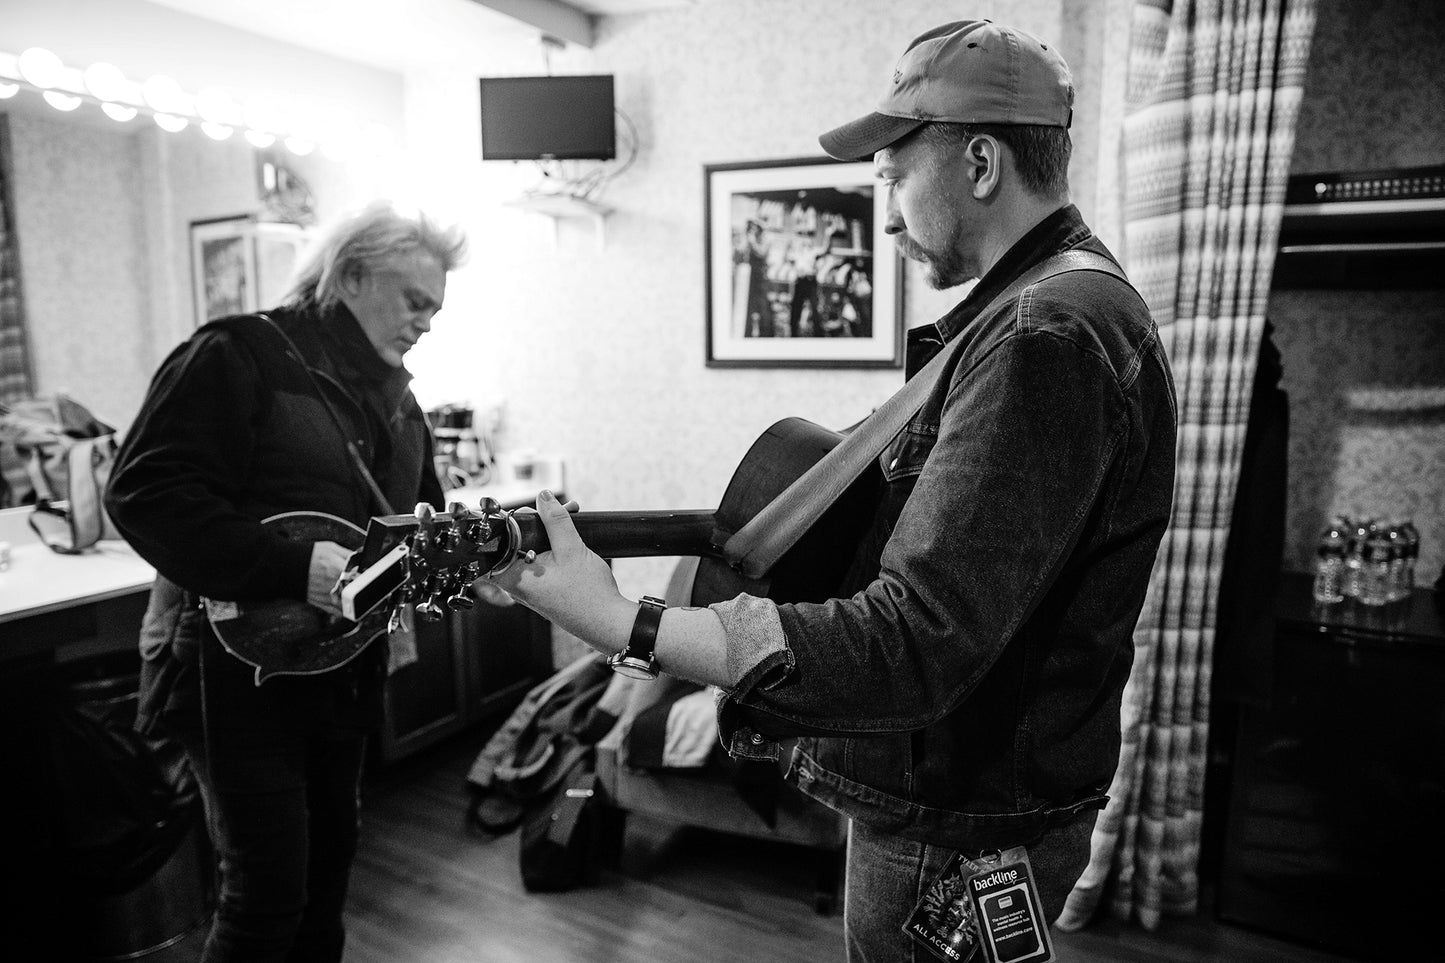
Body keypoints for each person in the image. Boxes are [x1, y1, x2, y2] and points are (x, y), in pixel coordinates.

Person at [492, 19, 1176, 962]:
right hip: (966, 795)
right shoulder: (1046, 311)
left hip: (959, 819)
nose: (886, 213)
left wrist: (625, 623)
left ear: (979, 162)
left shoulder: (1043, 335)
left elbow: (915, 636)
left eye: (894, 175)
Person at [104, 200, 468, 962]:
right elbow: (146, 494)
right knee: (264, 897)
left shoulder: (402, 404)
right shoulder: (235, 355)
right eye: (416, 301)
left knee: (327, 879)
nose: (427, 321)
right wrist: (295, 567)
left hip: (340, 672)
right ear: (353, 275)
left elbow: (416, 528)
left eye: (436, 307)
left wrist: (472, 569)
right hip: (230, 673)